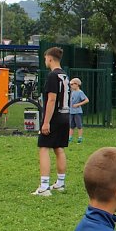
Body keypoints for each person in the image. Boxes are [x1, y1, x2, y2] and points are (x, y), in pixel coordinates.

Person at [32, 47, 71, 196]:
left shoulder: (52, 76)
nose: (45, 61)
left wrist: (46, 122)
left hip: (54, 117)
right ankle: (60, 183)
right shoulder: (64, 75)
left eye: (45, 58)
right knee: (59, 148)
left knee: (43, 147)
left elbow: (52, 99)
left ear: (50, 58)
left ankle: (44, 186)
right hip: (65, 116)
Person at [69, 78, 90, 143]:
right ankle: (70, 138)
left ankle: (80, 138)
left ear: (77, 84)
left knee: (79, 125)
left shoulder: (80, 92)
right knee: (71, 125)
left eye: (72, 84)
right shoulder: (72, 92)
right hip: (71, 111)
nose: (71, 86)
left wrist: (78, 104)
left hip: (77, 112)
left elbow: (86, 100)